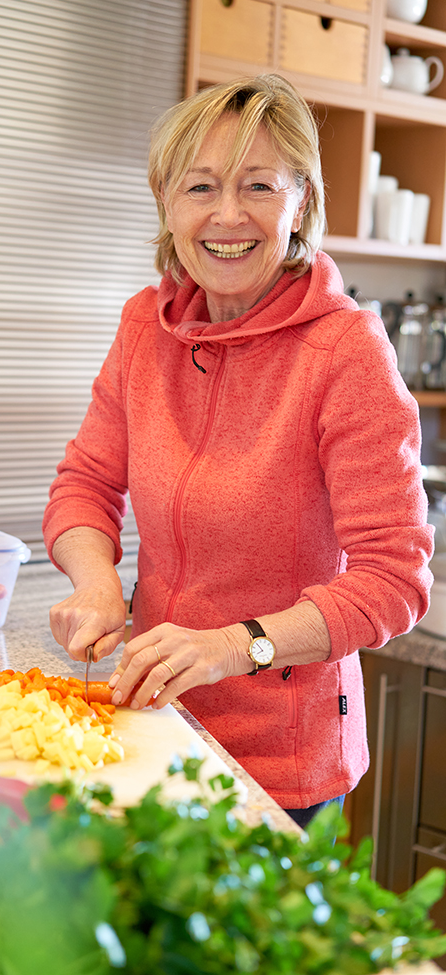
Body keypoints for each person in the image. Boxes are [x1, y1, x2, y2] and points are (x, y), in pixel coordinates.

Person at [42, 74, 433, 828]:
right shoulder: (143, 325)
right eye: (200, 187)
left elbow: (394, 579)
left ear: (301, 205)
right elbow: (86, 483)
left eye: (258, 185)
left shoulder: (344, 351)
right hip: (151, 722)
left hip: (284, 763)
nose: (227, 215)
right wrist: (95, 583)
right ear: (165, 200)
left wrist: (236, 646)